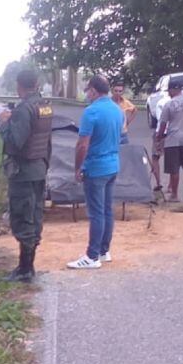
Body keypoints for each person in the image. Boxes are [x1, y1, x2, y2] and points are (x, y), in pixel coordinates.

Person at [0, 69, 53, 282]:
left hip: (24, 172)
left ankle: (25, 268)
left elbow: (15, 142)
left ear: (19, 86)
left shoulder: (24, 109)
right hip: (39, 168)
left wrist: (4, 124)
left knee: (22, 216)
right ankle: (27, 265)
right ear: (37, 83)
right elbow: (47, 141)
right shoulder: (44, 106)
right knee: (35, 215)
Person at [68, 75, 124, 270]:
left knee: (96, 213)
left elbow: (82, 144)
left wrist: (77, 168)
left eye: (87, 91)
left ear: (93, 90)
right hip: (113, 165)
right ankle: (103, 250)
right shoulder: (118, 111)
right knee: (107, 210)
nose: (86, 94)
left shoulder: (91, 112)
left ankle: (92, 256)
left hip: (95, 167)